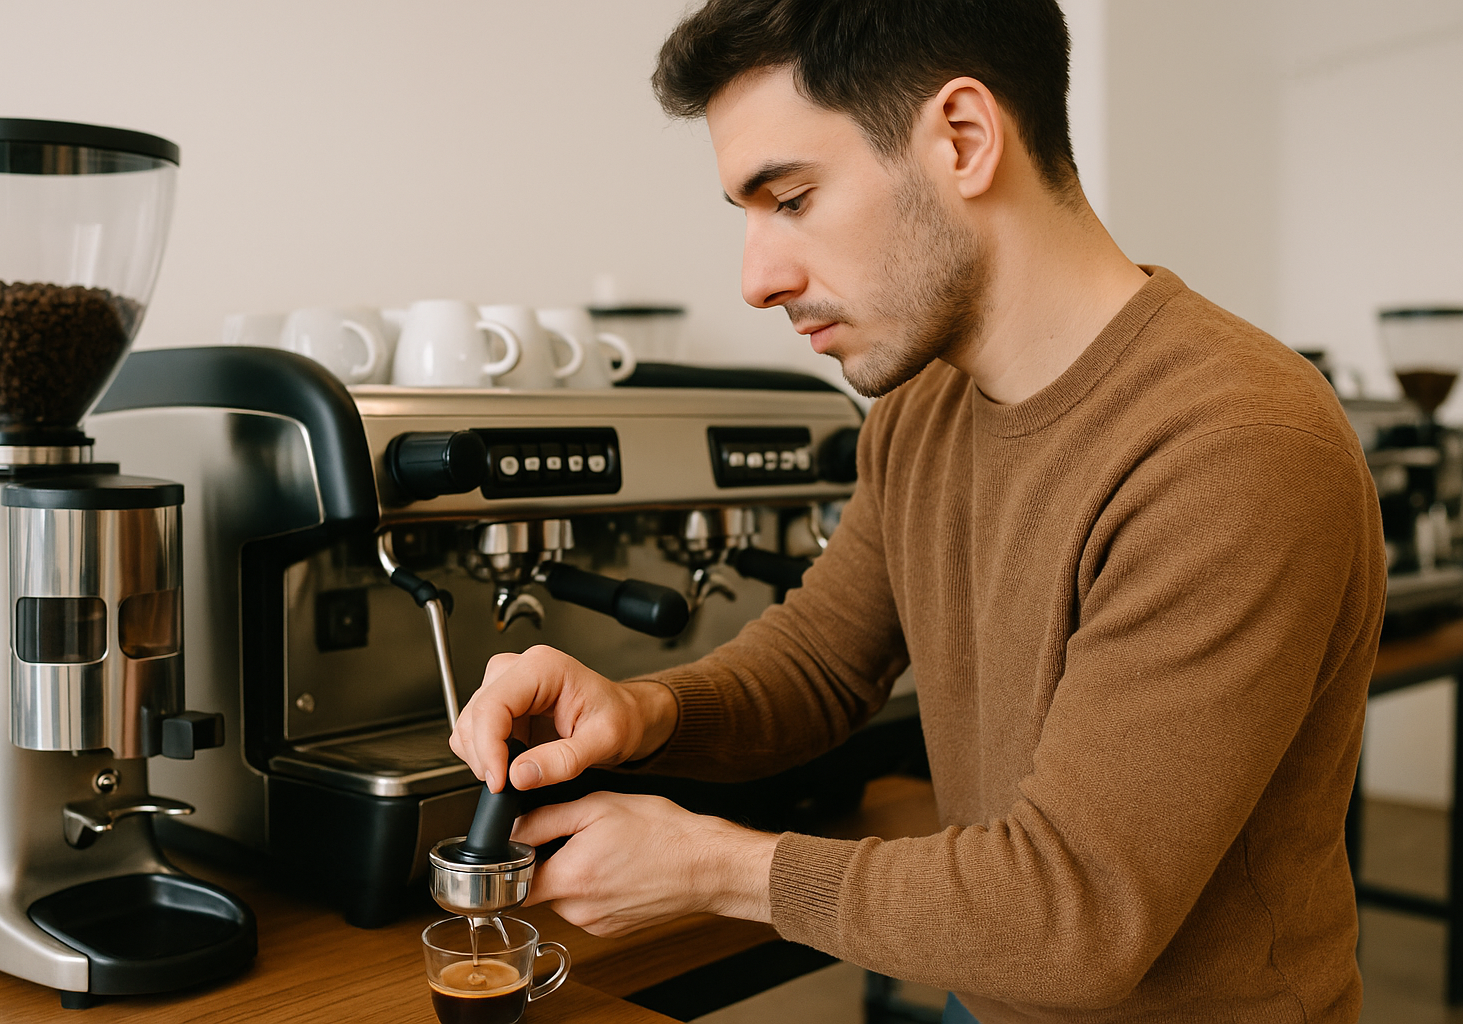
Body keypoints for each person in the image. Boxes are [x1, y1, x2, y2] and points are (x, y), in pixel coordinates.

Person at [448, 1, 1386, 1020]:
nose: (759, 280)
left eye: (793, 199)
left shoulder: (1233, 446)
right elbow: (818, 663)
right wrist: (644, 710)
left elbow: (1071, 916)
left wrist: (716, 867)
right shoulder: (923, 410)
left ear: (963, 139)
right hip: (983, 996)